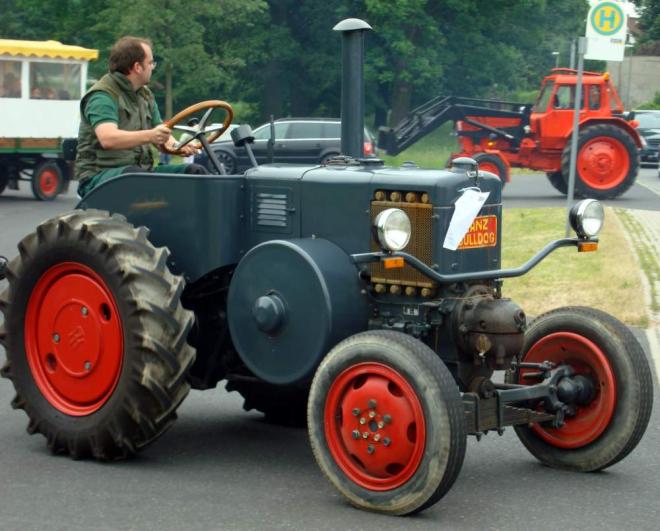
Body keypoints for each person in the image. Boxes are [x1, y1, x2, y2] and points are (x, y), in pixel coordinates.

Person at [75, 36, 207, 196]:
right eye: (151, 63)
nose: (153, 67)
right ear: (137, 67)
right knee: (135, 177)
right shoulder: (103, 96)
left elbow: (161, 134)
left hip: (139, 173)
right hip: (99, 177)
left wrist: (178, 147)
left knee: (195, 173)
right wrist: (150, 136)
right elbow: (108, 138)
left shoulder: (145, 95)